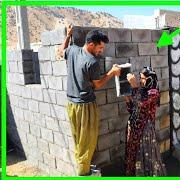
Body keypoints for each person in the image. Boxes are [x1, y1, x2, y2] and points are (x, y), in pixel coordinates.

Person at [57, 25, 121, 176]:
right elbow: (97, 84)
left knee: (79, 141)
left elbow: (60, 52)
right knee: (87, 143)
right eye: (100, 47)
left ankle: (82, 168)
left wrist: (67, 36)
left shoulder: (72, 50)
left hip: (71, 105)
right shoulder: (92, 62)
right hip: (85, 107)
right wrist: (112, 72)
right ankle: (83, 174)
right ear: (91, 44)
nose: (101, 51)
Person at [124, 67, 166, 176]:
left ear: (150, 79)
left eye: (143, 78)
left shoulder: (154, 93)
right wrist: (127, 98)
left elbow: (141, 104)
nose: (141, 81)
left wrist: (133, 86)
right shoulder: (141, 91)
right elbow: (133, 110)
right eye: (140, 78)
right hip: (134, 127)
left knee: (145, 156)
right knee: (133, 154)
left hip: (144, 131)